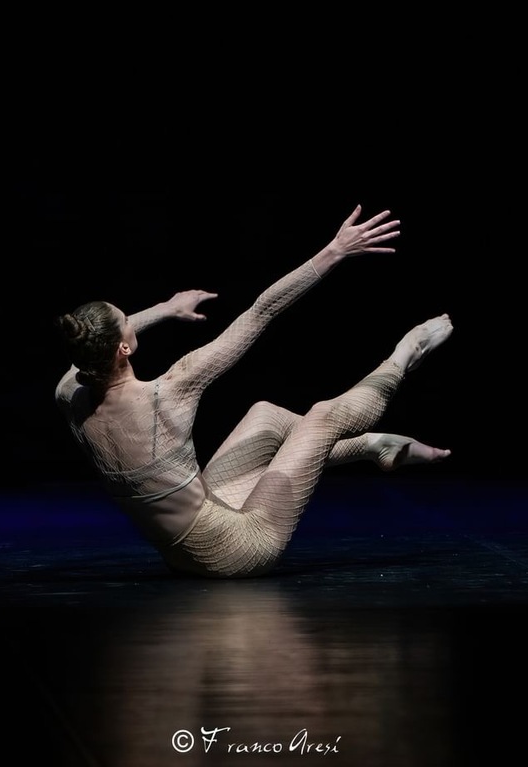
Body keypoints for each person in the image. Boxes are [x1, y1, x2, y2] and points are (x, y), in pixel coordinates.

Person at [55, 204, 454, 578]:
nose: (132, 321)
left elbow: (92, 347)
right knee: (322, 416)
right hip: (238, 551)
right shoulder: (170, 392)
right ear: (123, 348)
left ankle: (373, 447)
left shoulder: (69, 394)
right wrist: (335, 250)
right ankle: (406, 355)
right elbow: (262, 311)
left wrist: (166, 309)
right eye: (127, 320)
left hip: (188, 545)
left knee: (266, 415)